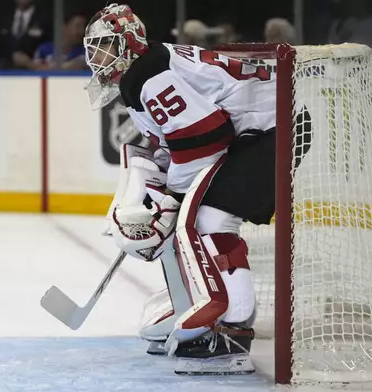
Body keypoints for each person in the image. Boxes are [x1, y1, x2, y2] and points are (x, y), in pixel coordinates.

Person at [83, 3, 309, 375]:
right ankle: (207, 310)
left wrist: (171, 195)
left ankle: (231, 334)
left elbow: (205, 137)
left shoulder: (147, 74)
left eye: (104, 45)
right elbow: (182, 139)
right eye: (93, 48)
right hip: (265, 128)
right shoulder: (144, 70)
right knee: (199, 218)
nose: (95, 56)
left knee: (209, 220)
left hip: (277, 128)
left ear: (128, 42)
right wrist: (163, 185)